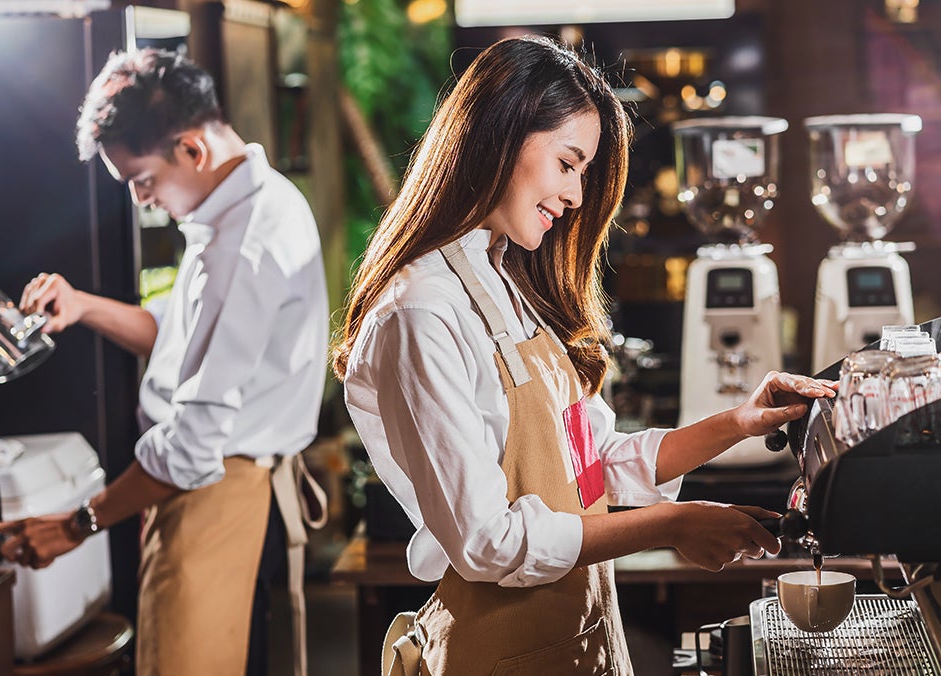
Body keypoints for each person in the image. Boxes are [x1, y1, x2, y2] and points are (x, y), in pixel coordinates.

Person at [332, 35, 836, 674]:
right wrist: (671, 525)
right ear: (503, 133)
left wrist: (736, 423)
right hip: (500, 653)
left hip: (580, 639)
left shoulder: (508, 284)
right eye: (568, 163)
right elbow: (489, 542)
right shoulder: (420, 313)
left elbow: (589, 468)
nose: (574, 197)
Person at [0, 49, 329, 676]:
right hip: (218, 489)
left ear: (191, 150)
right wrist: (83, 307)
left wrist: (78, 524)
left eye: (142, 180)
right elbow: (182, 337)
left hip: (218, 495)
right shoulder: (244, 201)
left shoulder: (241, 246)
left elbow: (192, 448)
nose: (142, 199)